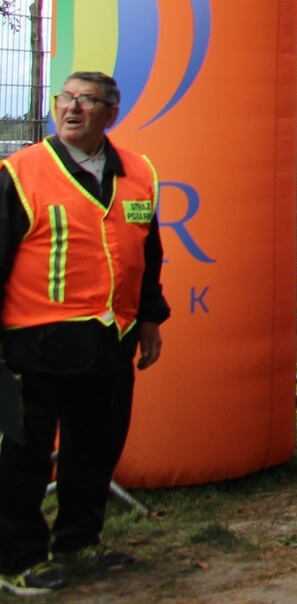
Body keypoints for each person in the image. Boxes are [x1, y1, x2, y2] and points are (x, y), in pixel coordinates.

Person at [0, 73, 167, 592]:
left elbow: (148, 253)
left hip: (109, 340)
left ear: (110, 114)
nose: (72, 108)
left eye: (87, 100)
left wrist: (149, 318)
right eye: (66, 98)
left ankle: (79, 540)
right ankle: (19, 557)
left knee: (95, 448)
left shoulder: (138, 173)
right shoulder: (20, 172)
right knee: (23, 456)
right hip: (33, 343)